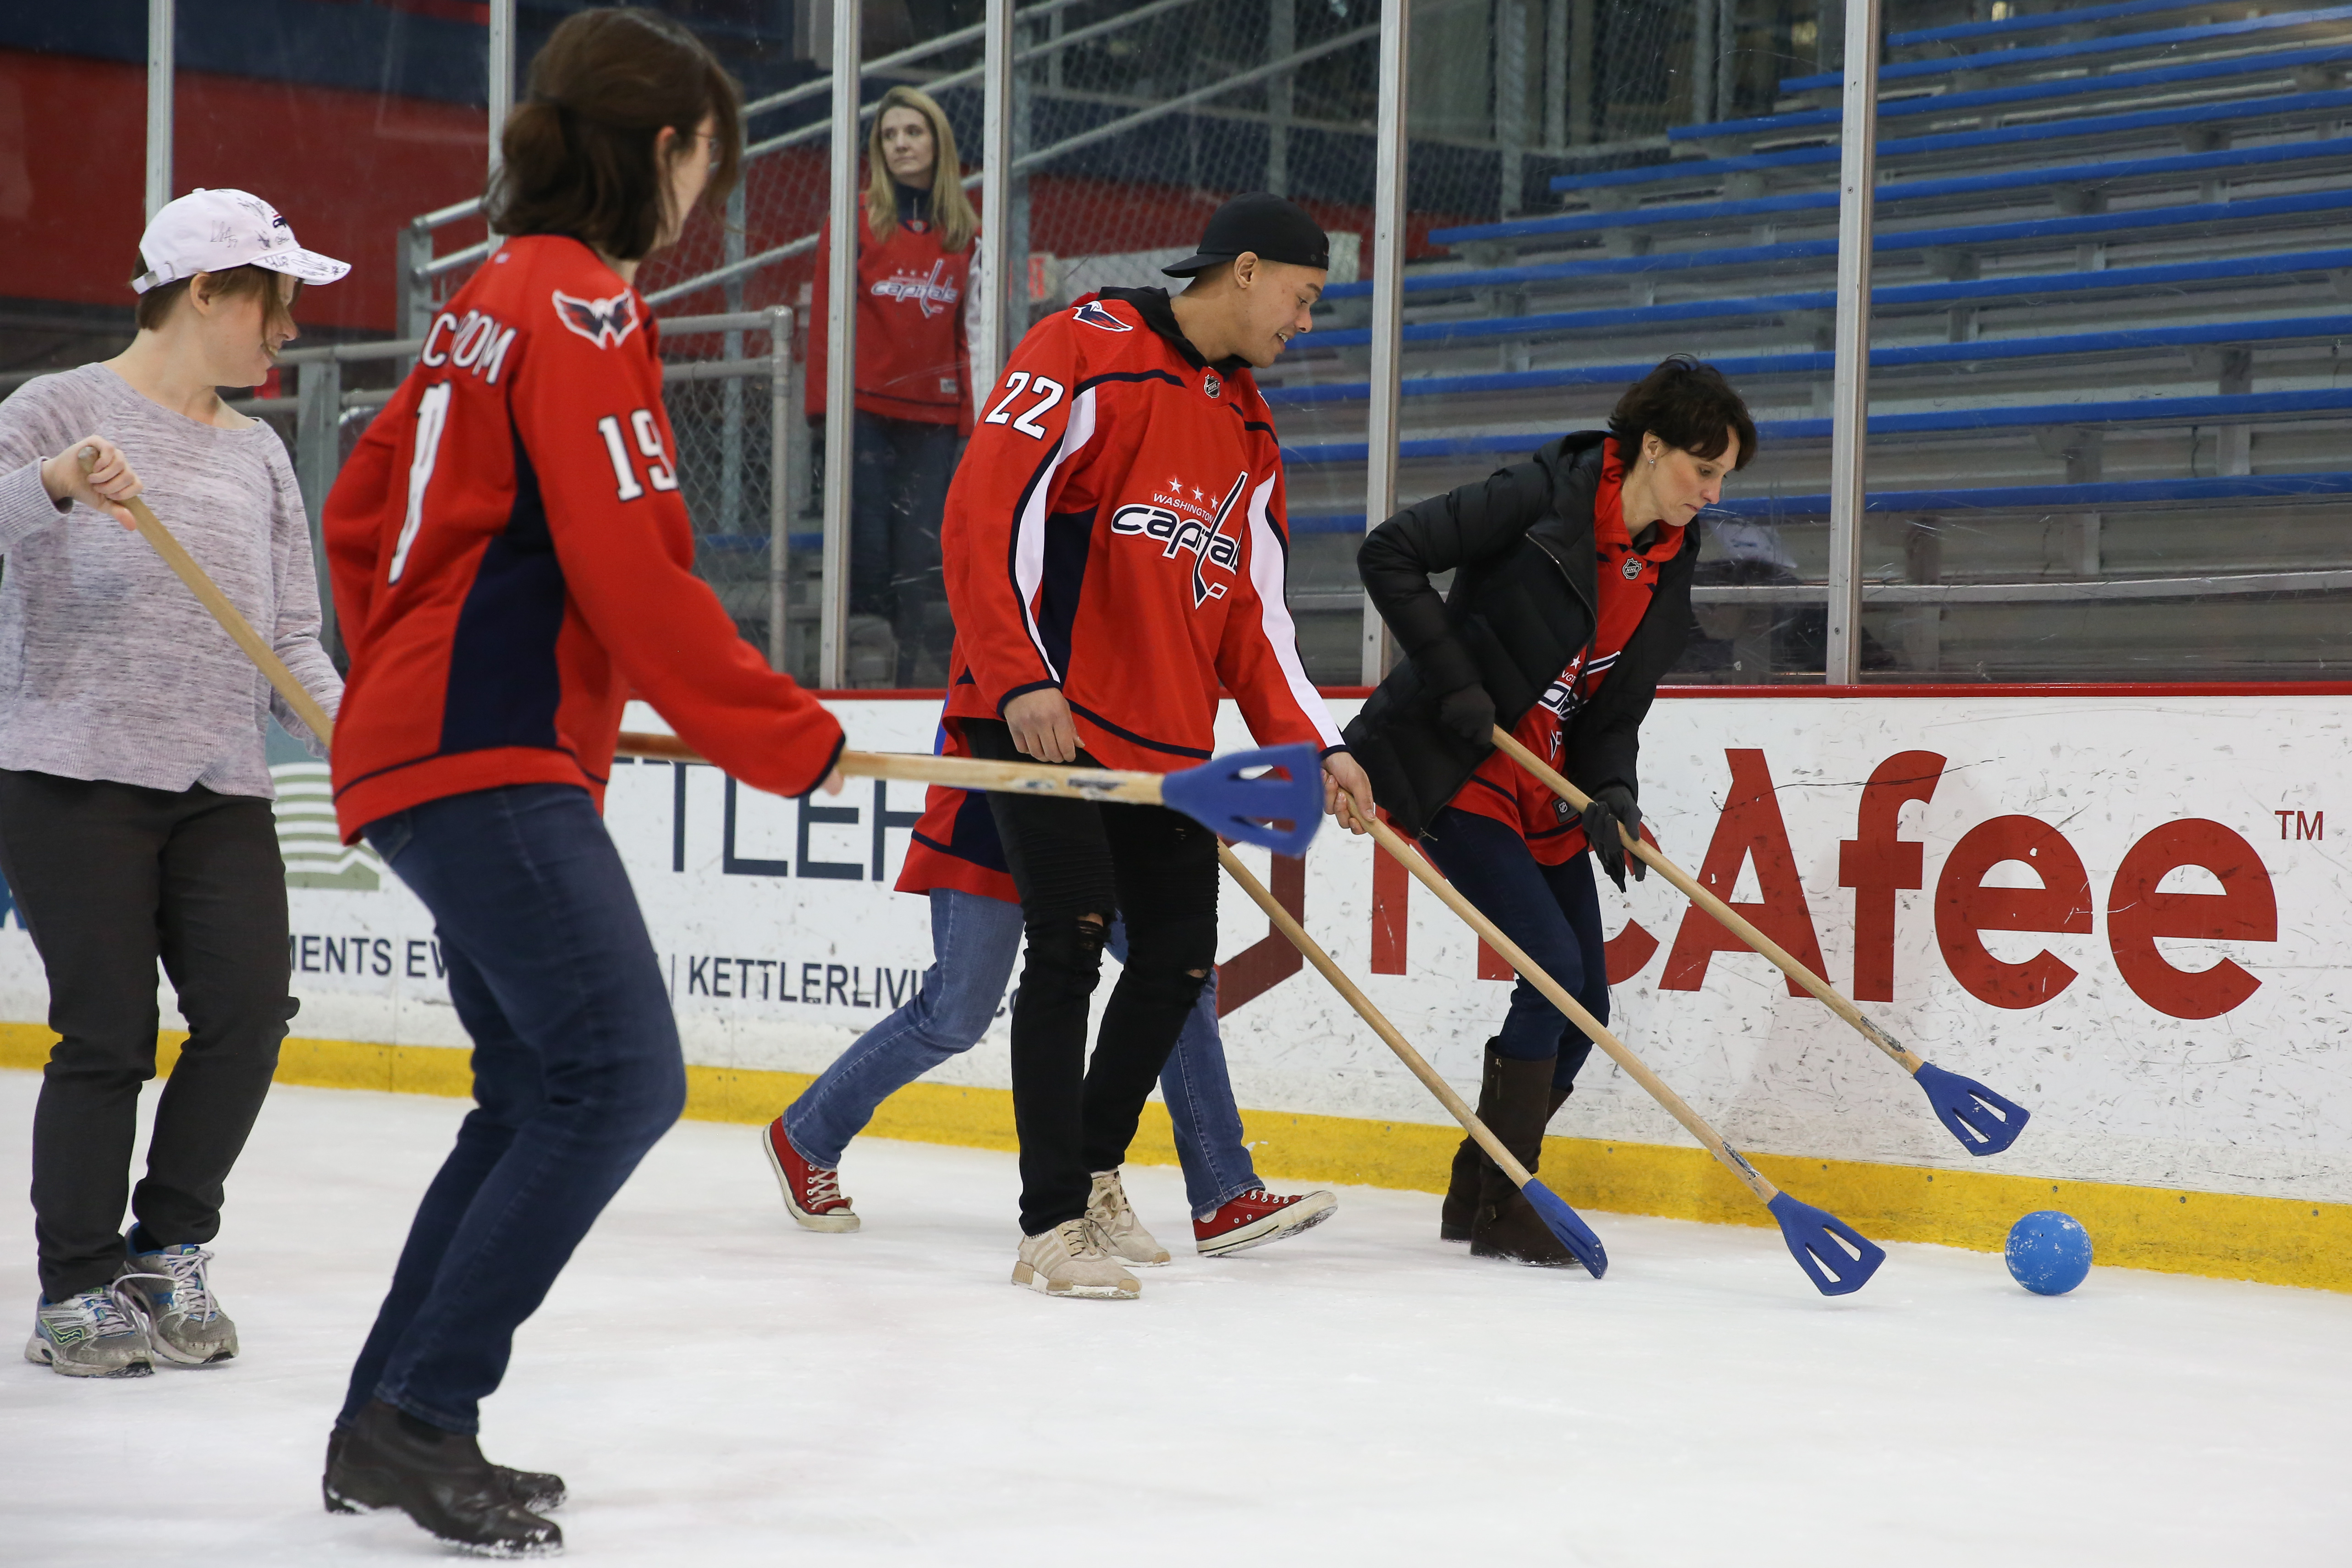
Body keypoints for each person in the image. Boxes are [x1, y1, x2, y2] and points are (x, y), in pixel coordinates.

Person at [315, 10, 844, 1554]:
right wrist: (780, 732)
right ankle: (419, 1416)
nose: (710, 200)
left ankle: (390, 1419)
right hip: (481, 749)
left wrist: (402, 676)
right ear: (671, 149)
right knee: (620, 1079)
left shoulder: (479, 297)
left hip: (425, 739)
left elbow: (361, 513)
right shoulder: (584, 309)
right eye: (715, 166)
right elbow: (638, 571)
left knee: (535, 1087)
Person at [939, 191, 1377, 1301]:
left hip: (1166, 745)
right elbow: (988, 512)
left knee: (1182, 954)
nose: (1307, 322)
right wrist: (1020, 671)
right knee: (1072, 933)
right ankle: (1048, 1223)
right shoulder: (1087, 344)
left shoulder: (1249, 426)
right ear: (1244, 269)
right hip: (1043, 711)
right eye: (1304, 296)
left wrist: (1318, 747)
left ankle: (1088, 1170)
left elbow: (1255, 624)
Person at [0, 189, 348, 1379]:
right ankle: (80, 1282)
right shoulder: (58, 409)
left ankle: (171, 1245)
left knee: (250, 1012)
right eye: (276, 303)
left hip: (219, 775)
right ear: (207, 292)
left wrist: (358, 735)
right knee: (108, 1029)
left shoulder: (256, 453)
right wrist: (56, 481)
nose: (287, 330)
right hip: (71, 767)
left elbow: (292, 637)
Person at [1344, 356, 1757, 1266]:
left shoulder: (1668, 553)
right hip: (1466, 766)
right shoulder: (1545, 492)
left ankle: (1482, 1182)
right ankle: (1507, 1202)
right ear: (1650, 446)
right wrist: (1456, 683)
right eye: (1702, 468)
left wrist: (1613, 792)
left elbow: (1614, 707)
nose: (1713, 493)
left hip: (1548, 784)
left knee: (1589, 998)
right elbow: (1390, 552)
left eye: (1725, 476)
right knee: (1558, 974)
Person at [760, 748, 1338, 1259]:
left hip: (1088, 829)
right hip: (990, 826)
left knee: (1178, 976)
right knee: (954, 1015)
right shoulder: (1028, 636)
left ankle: (1223, 1193)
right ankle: (806, 1135)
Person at [807, 84, 978, 687]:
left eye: (913, 132)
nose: (901, 144)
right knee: (869, 548)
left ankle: (911, 677)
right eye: (889, 135)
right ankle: (865, 670)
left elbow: (967, 332)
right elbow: (827, 322)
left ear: (937, 141)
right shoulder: (853, 218)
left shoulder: (965, 233)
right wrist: (823, 414)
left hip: (933, 419)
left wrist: (968, 421)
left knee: (919, 555)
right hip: (862, 413)